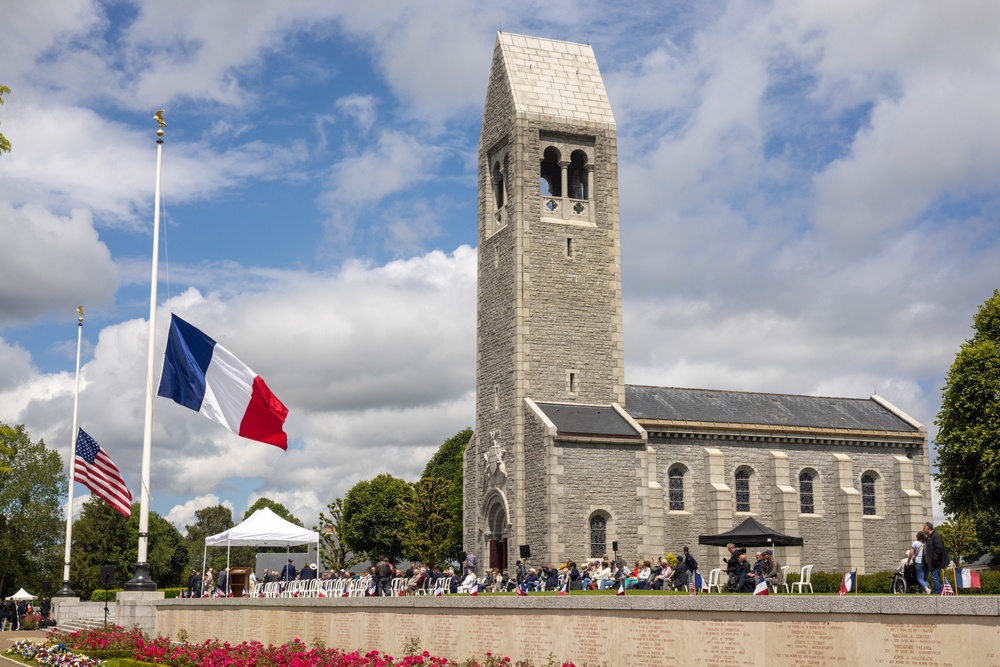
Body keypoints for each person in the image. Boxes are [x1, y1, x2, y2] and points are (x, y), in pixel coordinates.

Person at [922, 522, 947, 594]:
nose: (923, 530)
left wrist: (934, 559)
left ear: (928, 529)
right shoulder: (929, 537)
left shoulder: (936, 536)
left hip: (935, 562)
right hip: (930, 562)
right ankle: (939, 591)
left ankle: (937, 592)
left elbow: (939, 548)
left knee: (935, 577)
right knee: (935, 577)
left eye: (924, 528)